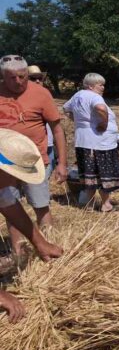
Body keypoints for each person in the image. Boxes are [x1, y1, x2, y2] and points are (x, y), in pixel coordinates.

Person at [0, 55, 67, 256]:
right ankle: (18, 252)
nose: (18, 82)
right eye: (12, 78)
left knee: (40, 205)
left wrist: (62, 163)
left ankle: (49, 247)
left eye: (22, 77)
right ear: (3, 76)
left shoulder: (41, 93)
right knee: (9, 204)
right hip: (5, 163)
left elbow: (57, 130)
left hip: (35, 161)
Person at [0, 128, 64, 322]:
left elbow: (10, 206)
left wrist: (40, 243)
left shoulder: (1, 184)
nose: (17, 181)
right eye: (14, 175)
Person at [62, 73, 119, 212]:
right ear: (91, 85)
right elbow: (101, 109)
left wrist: (79, 122)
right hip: (99, 143)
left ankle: (89, 205)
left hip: (83, 141)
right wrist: (103, 123)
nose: (103, 87)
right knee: (103, 173)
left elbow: (66, 109)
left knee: (89, 174)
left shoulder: (77, 95)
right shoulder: (95, 96)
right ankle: (106, 204)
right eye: (100, 84)